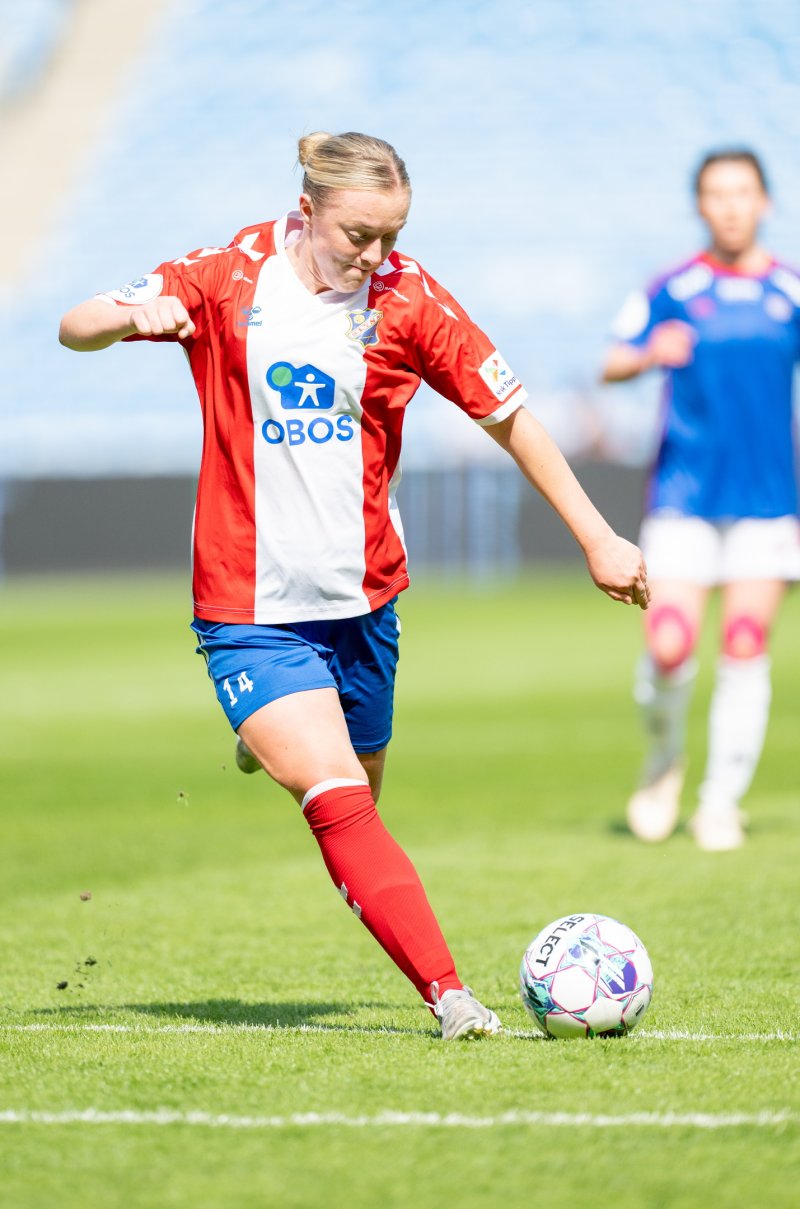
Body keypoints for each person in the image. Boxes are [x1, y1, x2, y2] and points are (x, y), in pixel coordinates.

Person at [60, 130, 649, 1037]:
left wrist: (599, 536)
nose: (374, 254)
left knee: (362, 795)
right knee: (335, 795)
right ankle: (450, 994)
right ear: (308, 211)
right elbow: (76, 324)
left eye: (391, 234)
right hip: (249, 606)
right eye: (357, 235)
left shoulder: (410, 299)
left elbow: (512, 417)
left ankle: (276, 737)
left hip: (365, 602)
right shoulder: (227, 274)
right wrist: (129, 318)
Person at [602, 148, 800, 852]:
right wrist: (652, 351)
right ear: (701, 205)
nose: (731, 205)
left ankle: (720, 801)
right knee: (669, 643)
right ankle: (663, 764)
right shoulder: (673, 287)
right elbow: (612, 359)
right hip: (684, 497)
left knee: (745, 644)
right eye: (717, 194)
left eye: (743, 192)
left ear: (765, 201)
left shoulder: (790, 290)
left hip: (768, 503)